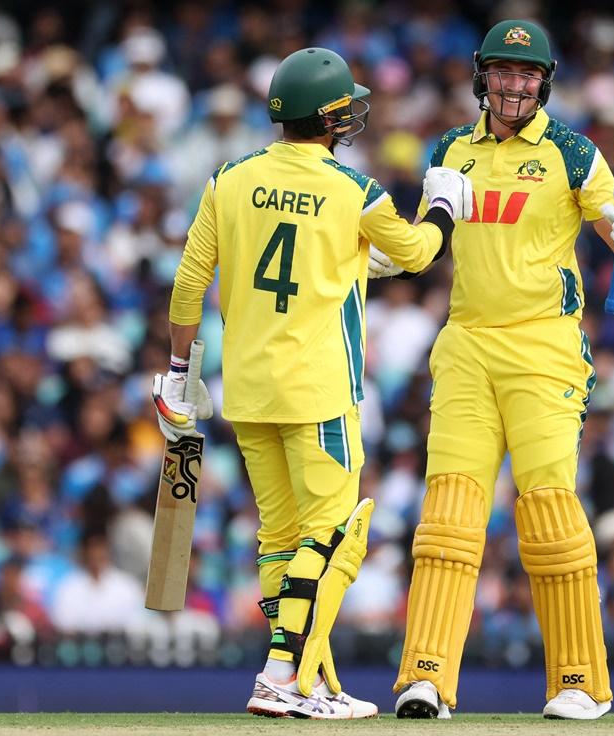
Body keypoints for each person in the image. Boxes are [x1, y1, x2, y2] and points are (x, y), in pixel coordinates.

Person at [152, 47, 472, 719]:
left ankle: (311, 677)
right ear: (328, 117)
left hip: (247, 389)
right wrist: (442, 207)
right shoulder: (356, 189)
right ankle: (282, 675)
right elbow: (415, 253)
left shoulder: (228, 179)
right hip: (320, 389)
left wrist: (180, 373)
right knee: (330, 537)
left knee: (281, 539)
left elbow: (188, 284)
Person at [369, 20, 614, 720]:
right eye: (502, 71)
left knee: (547, 511)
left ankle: (579, 683)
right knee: (448, 516)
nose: (514, 85)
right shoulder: (449, 149)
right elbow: (428, 236)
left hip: (544, 349)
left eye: (527, 74)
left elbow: (612, 223)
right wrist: (385, 254)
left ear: (545, 80)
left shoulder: (571, 151)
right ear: (482, 75)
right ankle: (426, 679)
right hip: (466, 345)